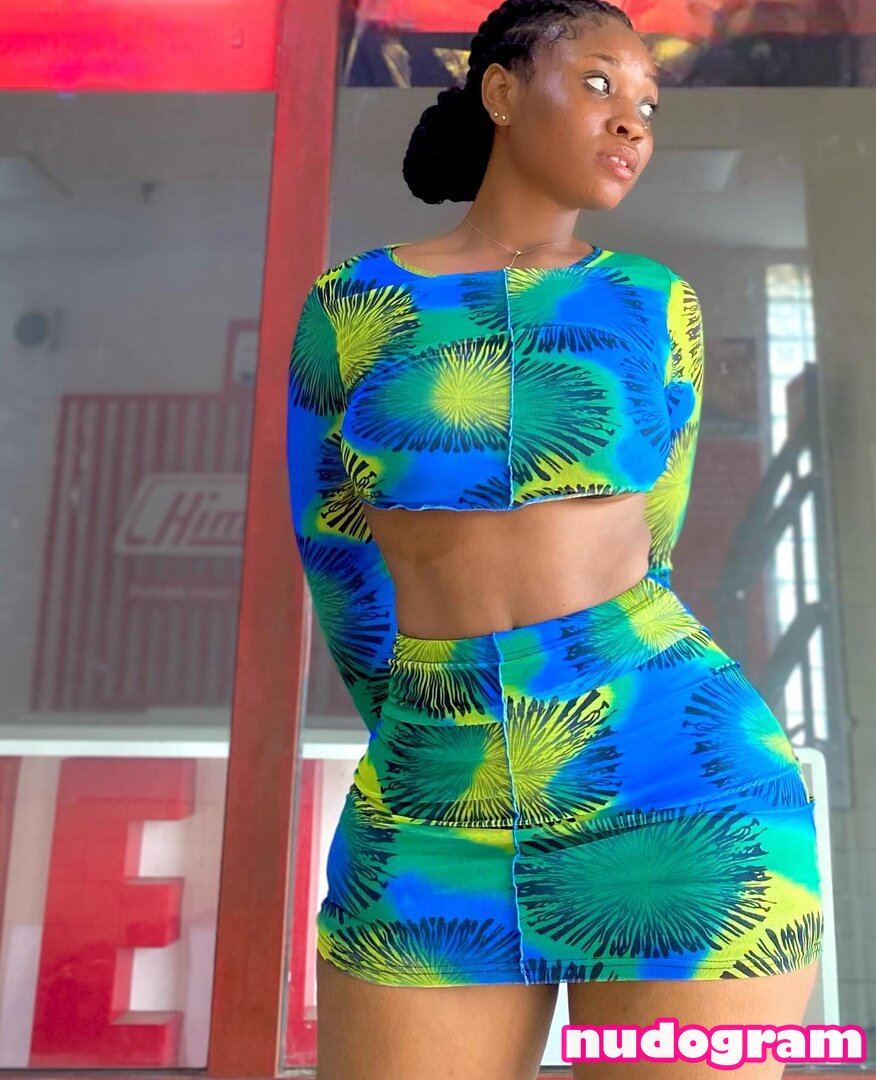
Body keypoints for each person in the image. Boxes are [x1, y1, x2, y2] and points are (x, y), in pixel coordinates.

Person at [285, 2, 824, 1077]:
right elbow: (336, 554)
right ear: (500, 90)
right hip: (433, 781)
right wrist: (430, 721)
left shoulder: (654, 302)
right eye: (599, 84)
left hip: (675, 775)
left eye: (648, 105)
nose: (632, 121)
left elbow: (652, 544)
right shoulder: (350, 303)